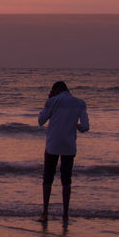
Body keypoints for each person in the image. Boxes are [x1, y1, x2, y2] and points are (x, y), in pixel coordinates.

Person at [37, 81, 90, 223]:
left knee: (48, 178)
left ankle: (45, 212)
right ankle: (65, 214)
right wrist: (77, 127)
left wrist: (48, 101)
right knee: (66, 181)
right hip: (69, 145)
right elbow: (85, 126)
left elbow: (41, 120)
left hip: (52, 145)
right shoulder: (79, 103)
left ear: (56, 90)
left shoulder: (52, 101)